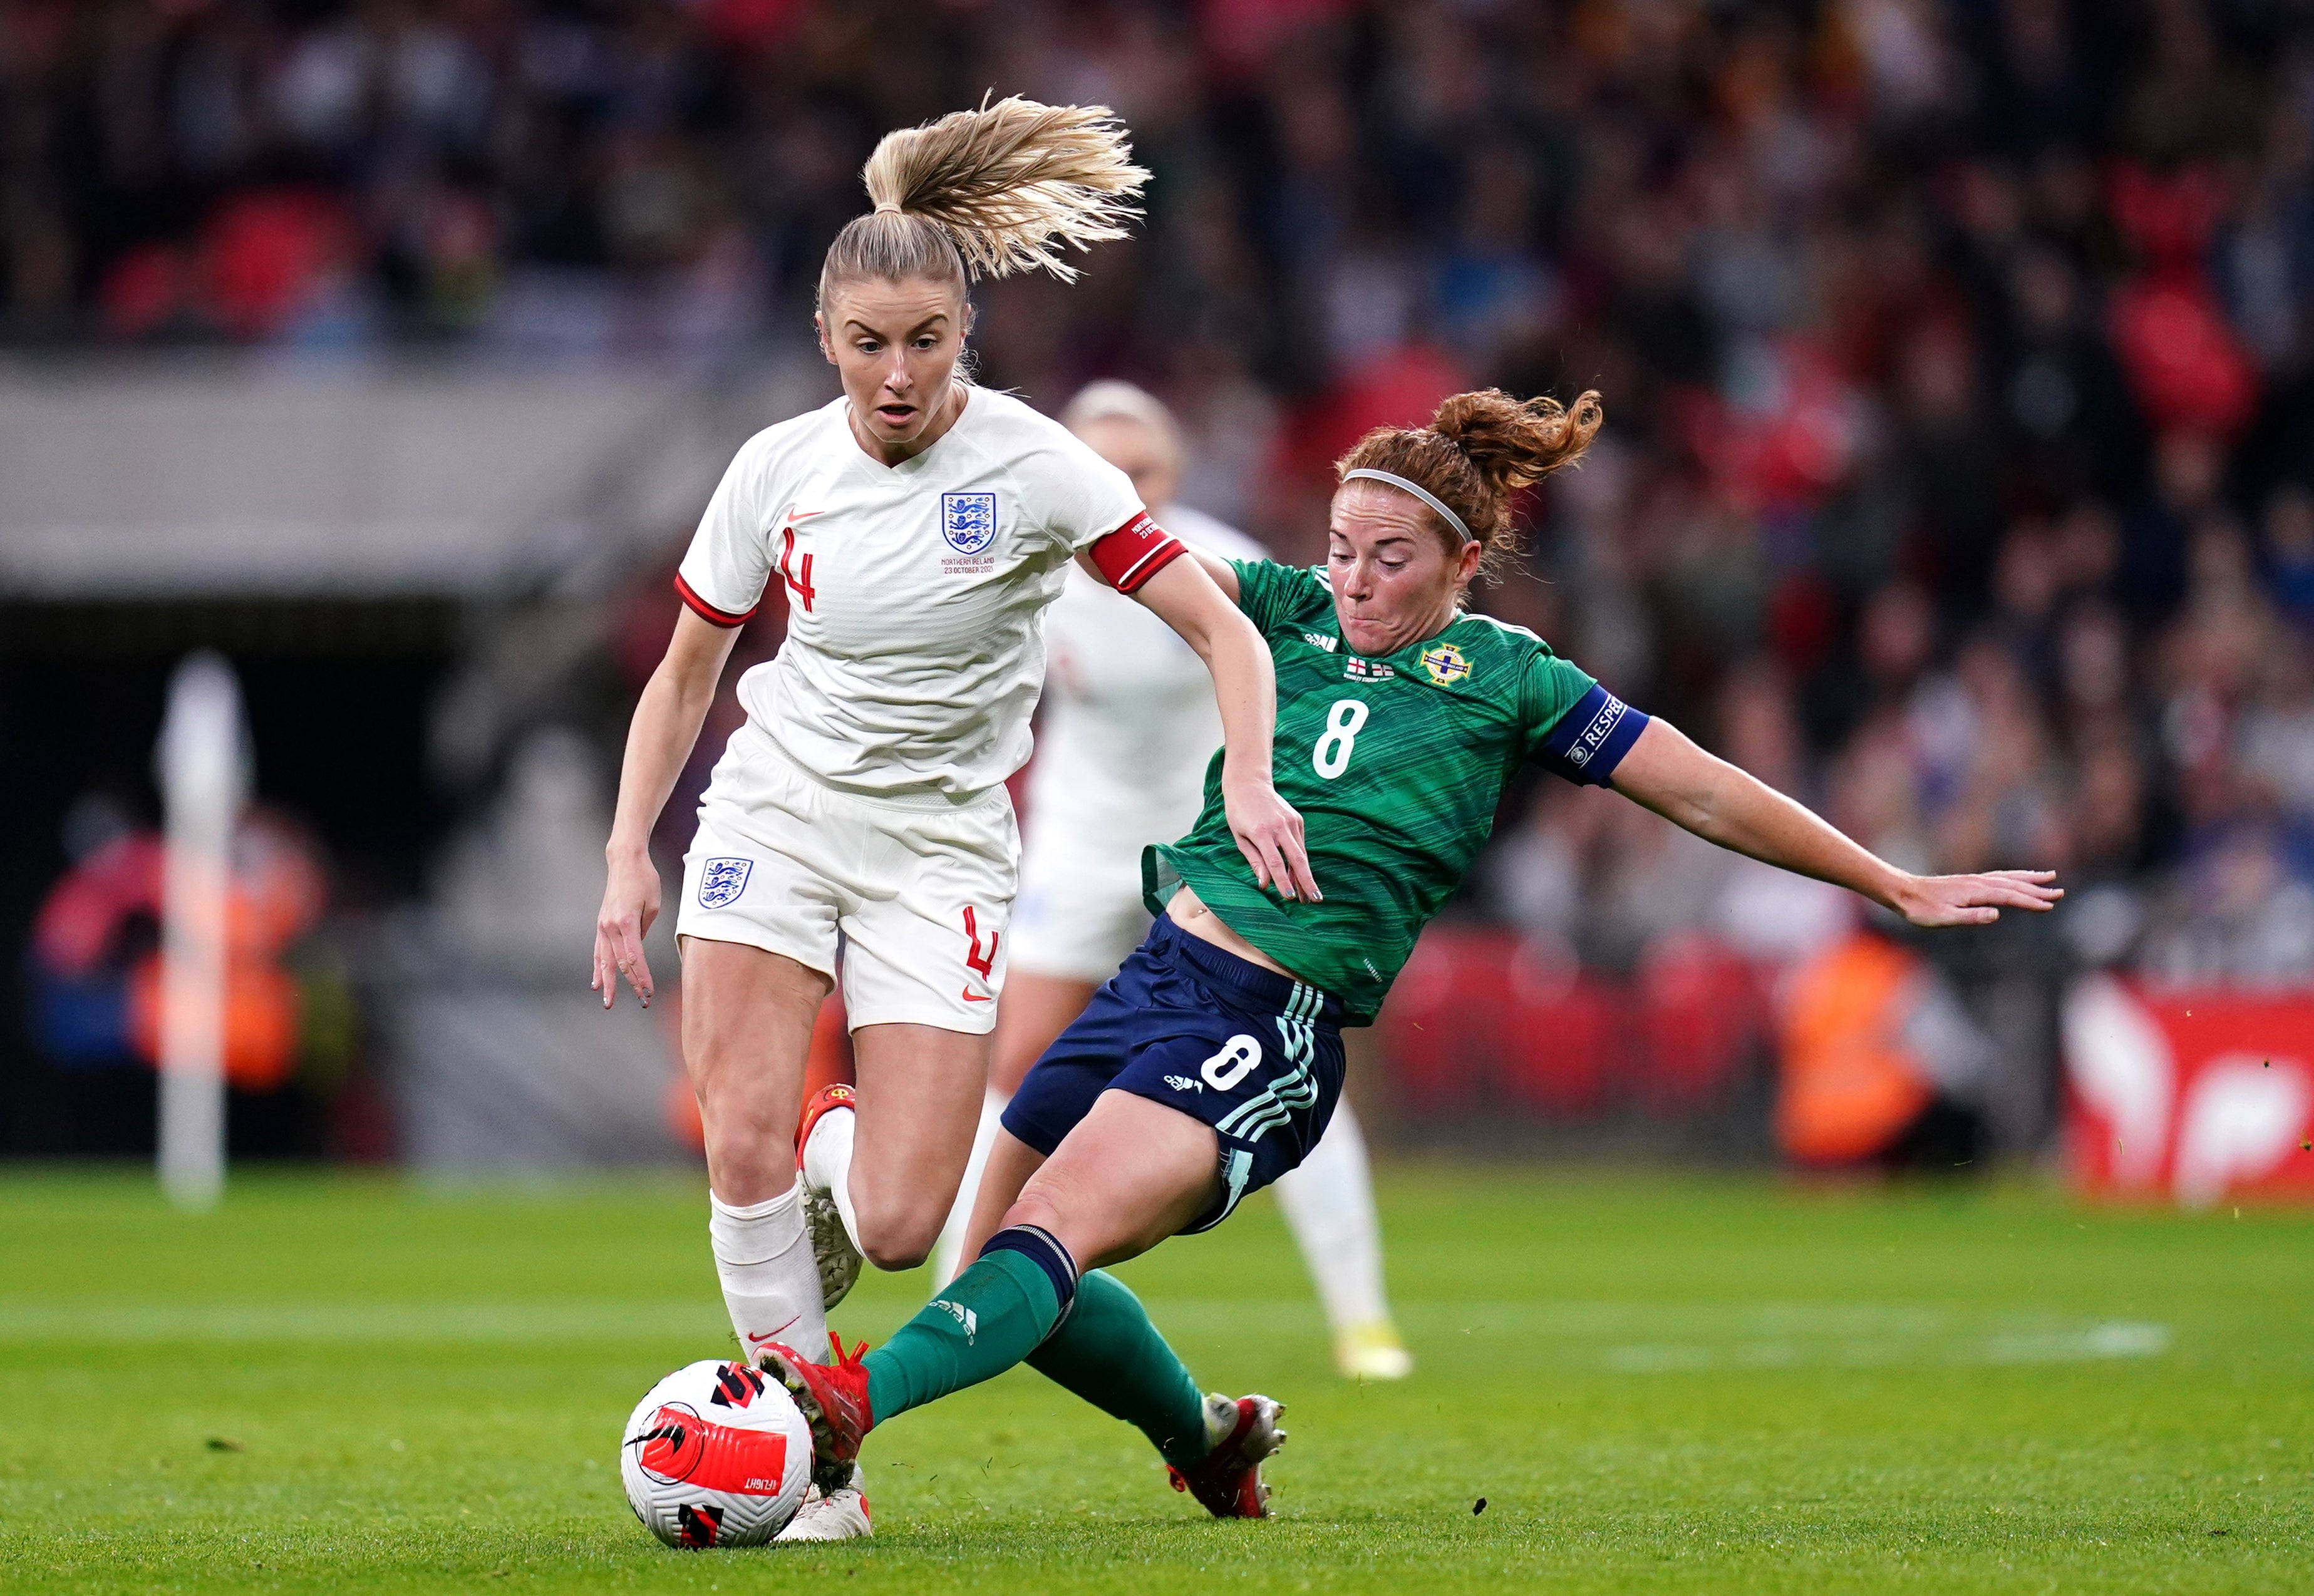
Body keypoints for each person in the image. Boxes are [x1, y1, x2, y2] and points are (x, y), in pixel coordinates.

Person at [757, 384, 2062, 1519]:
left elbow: (1704, 789)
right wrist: (949, 435)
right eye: (1339, 552)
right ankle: (1207, 1443)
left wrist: (1888, 878)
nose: (1355, 581)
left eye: (1388, 558)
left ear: (1461, 558)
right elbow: (1109, 549)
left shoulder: (1509, 678)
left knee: (1042, 1232)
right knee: (1000, 1278)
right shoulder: (1282, 610)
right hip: (1151, 978)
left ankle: (847, 1406)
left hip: (1264, 1027)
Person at [590, 97, 1316, 1544]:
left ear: (965, 333)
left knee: (909, 1229)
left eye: (926, 339)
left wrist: (1249, 772)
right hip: (777, 809)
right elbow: (688, 674)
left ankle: (831, 1150)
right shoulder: (775, 469)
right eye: (870, 342)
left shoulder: (1039, 466)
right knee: (735, 1133)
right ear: (826, 336)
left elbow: (1226, 632)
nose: (898, 371)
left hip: (941, 850)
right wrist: (627, 854)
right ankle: (822, 1479)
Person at [927, 378, 1412, 1382]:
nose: (1124, 489)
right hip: (1080, 836)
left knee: (1282, 1056)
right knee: (1019, 1058)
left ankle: (1363, 1320)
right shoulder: (1036, 565)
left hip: (1209, 842)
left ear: (1175, 475)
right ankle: (957, 1288)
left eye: (1141, 470)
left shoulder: (1221, 567)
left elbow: (1323, 666)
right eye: (1104, 469)